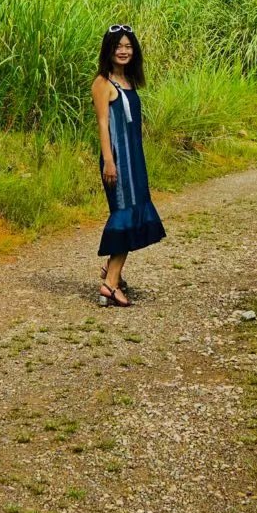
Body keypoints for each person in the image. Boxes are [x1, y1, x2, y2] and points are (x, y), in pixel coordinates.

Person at [92, 24, 165, 306]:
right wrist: (109, 161)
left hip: (134, 157)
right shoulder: (103, 83)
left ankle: (113, 273)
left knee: (134, 211)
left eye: (128, 46)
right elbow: (103, 124)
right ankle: (110, 284)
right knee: (124, 214)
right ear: (108, 50)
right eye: (118, 46)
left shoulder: (128, 80)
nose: (123, 51)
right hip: (117, 159)